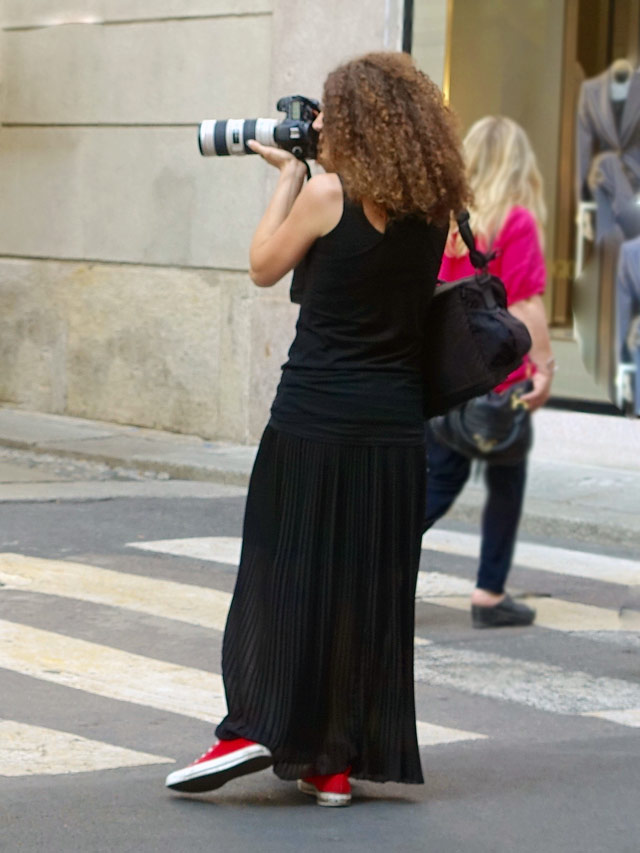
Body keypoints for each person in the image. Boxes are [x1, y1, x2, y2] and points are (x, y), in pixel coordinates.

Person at [165, 52, 468, 805]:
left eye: (332, 111)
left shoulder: (328, 192)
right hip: (395, 430)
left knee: (277, 572)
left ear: (361, 121)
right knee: (365, 592)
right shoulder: (435, 208)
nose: (319, 122)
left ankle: (252, 725)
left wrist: (286, 180)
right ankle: (331, 760)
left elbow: (263, 266)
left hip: (314, 417)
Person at [424, 116, 555, 630]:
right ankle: (489, 594)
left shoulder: (443, 218)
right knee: (506, 482)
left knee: (432, 488)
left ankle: (375, 582)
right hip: (502, 380)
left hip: (447, 377)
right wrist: (544, 368)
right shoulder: (515, 222)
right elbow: (526, 303)